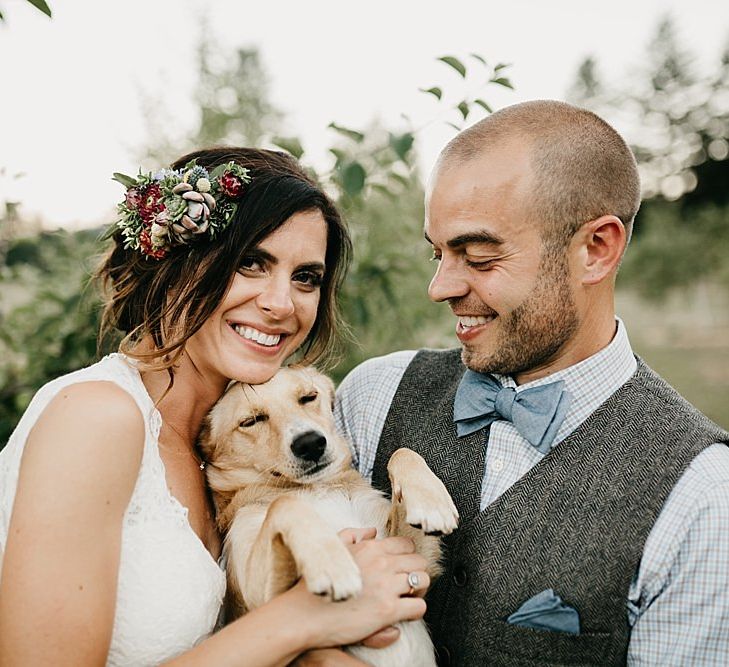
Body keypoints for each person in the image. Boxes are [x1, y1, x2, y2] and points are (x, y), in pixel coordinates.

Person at [335, 100, 729, 666]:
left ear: (596, 249)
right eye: (438, 253)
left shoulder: (703, 497)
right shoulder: (373, 395)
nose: (439, 287)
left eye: (479, 256)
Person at [0, 147, 429, 666]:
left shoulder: (230, 449)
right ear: (178, 262)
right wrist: (301, 618)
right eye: (251, 262)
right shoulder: (98, 416)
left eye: (305, 278)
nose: (281, 304)